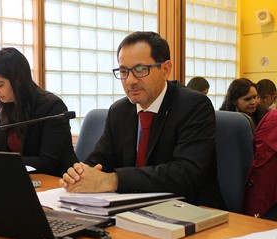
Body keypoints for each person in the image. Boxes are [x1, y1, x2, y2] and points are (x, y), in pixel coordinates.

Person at [59, 31, 226, 209]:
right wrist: (80, 174)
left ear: (165, 69)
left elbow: (185, 174)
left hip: (189, 209)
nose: (130, 81)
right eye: (123, 71)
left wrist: (112, 180)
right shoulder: (119, 111)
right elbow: (100, 159)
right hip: (131, 209)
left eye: (140, 69)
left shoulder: (194, 106)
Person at [0, 47, 77, 177]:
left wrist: (4, 162)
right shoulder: (9, 105)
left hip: (56, 181)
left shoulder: (53, 107)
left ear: (18, 81)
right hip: (20, 179)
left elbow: (48, 162)